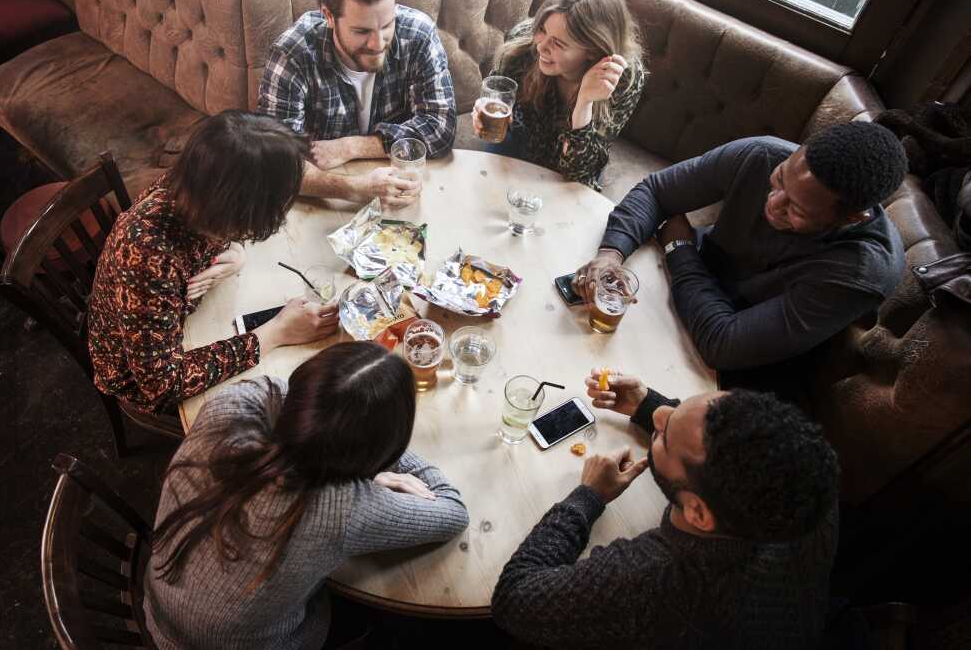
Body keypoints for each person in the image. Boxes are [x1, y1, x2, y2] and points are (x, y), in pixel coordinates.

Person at [144, 341, 470, 650]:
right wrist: (384, 456)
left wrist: (365, 447)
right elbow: (454, 513)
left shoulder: (234, 402)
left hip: (159, 604)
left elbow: (295, 400)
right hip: (247, 644)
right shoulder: (340, 508)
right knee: (384, 617)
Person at [491, 369, 840, 649]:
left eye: (665, 434)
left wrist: (588, 496)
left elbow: (514, 599)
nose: (659, 413)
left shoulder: (652, 581)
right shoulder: (807, 477)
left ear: (698, 513)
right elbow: (726, 444)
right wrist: (646, 405)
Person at [574, 121, 908, 378]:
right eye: (779, 180)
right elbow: (657, 191)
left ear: (852, 217)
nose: (773, 203)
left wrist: (679, 248)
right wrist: (610, 254)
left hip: (722, 362)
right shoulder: (763, 154)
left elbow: (723, 344)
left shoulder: (862, 272)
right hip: (680, 290)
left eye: (798, 211)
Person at [88, 111, 338, 416]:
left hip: (181, 315)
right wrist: (277, 332)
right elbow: (161, 385)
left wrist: (235, 251)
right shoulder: (148, 254)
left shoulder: (200, 182)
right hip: (139, 375)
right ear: (242, 208)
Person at [258, 0, 456, 211]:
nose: (377, 43)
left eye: (387, 25)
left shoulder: (418, 34)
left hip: (401, 190)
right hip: (325, 195)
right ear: (328, 16)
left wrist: (351, 147)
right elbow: (275, 162)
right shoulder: (293, 54)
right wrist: (354, 188)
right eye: (362, 31)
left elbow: (441, 129)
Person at [473, 0, 646, 191]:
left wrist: (584, 102)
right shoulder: (524, 44)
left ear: (592, 50)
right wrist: (482, 108)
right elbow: (496, 92)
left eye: (558, 43)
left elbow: (579, 171)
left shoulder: (623, 78)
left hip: (577, 157)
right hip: (521, 138)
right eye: (543, 30)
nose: (541, 47)